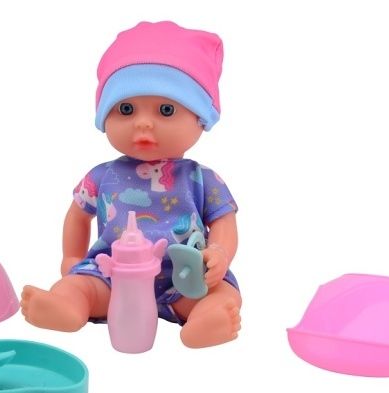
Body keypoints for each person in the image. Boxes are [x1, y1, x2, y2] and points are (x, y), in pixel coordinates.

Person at [21, 21, 242, 348]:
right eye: (126, 109)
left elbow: (224, 222)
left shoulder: (201, 179)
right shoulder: (101, 176)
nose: (143, 123)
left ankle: (207, 320)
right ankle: (68, 306)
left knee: (222, 293)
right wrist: (71, 259)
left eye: (166, 109)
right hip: (111, 276)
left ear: (201, 119)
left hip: (185, 279)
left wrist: (219, 253)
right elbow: (78, 215)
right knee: (80, 285)